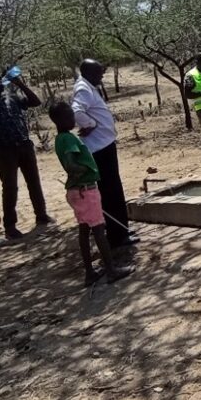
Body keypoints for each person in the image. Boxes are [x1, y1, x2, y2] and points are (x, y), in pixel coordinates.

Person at [49, 101, 134, 286]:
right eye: (70, 116)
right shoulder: (69, 139)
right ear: (60, 119)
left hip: (76, 191)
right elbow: (71, 164)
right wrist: (86, 171)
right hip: (85, 190)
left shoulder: (60, 139)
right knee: (98, 230)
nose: (74, 119)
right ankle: (111, 270)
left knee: (84, 229)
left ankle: (90, 272)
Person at [0, 72, 54, 239]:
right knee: (10, 188)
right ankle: (10, 226)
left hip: (25, 145)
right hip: (5, 150)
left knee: (34, 181)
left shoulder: (12, 97)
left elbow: (35, 102)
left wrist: (21, 84)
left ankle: (41, 214)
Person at [71, 59, 138, 248]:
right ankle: (118, 236)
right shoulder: (83, 88)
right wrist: (90, 124)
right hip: (99, 149)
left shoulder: (87, 86)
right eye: (99, 72)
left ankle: (120, 228)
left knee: (113, 190)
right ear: (89, 72)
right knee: (111, 192)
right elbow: (76, 112)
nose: (102, 75)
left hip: (103, 145)